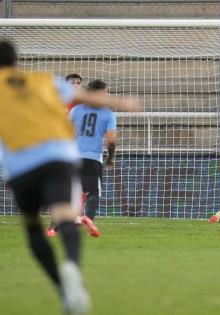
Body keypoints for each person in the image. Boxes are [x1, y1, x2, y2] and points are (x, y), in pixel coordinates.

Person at [0, 40, 137, 314]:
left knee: (32, 227)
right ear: (17, 61)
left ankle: (64, 289)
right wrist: (122, 102)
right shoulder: (42, 80)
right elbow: (87, 97)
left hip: (22, 163)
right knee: (67, 213)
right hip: (59, 157)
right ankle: (72, 265)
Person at [70, 79, 117, 237]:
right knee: (93, 193)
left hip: (72, 158)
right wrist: (110, 158)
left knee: (73, 191)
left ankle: (70, 220)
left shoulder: (75, 110)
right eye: (104, 92)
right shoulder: (108, 113)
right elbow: (111, 140)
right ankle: (88, 218)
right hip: (93, 158)